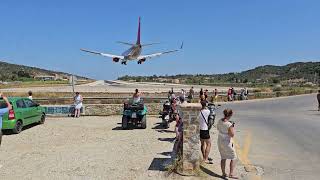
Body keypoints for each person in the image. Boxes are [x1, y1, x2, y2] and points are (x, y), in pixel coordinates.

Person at [217, 109, 238, 179]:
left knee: (223, 157)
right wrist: (232, 127)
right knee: (234, 157)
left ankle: (223, 173)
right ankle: (231, 174)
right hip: (227, 142)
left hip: (220, 140)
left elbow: (218, 128)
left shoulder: (220, 120)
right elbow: (232, 134)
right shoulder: (229, 124)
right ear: (231, 115)